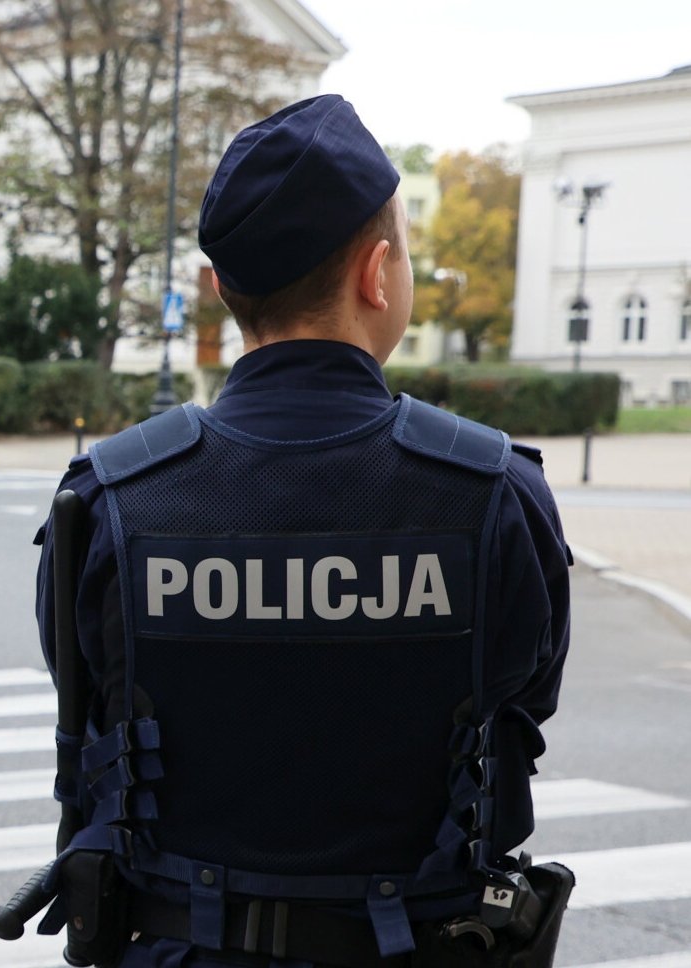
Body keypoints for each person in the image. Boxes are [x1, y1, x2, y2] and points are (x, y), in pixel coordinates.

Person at [32, 94, 573, 968]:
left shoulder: (109, 497)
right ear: (377, 273)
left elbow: (87, 706)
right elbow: (524, 704)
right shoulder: (496, 491)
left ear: (222, 290)